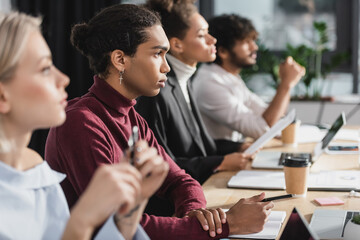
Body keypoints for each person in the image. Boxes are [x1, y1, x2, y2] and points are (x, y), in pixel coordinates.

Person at [45, 3, 274, 240]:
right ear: (120, 59)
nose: (166, 67)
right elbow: (115, 225)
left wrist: (195, 212)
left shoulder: (132, 117)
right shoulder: (81, 123)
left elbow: (180, 180)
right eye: (157, 54)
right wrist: (226, 226)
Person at [0, 11, 152, 240]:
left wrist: (131, 206)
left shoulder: (35, 169)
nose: (63, 79)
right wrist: (83, 219)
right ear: (2, 97)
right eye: (44, 69)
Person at [135, 0, 254, 185]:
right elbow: (163, 163)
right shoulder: (158, 92)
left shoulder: (185, 82)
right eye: (201, 35)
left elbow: (201, 146)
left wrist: (238, 146)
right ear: (176, 45)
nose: (212, 40)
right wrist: (220, 162)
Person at [193, 14, 306, 141]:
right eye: (246, 42)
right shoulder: (210, 83)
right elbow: (262, 130)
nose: (255, 47)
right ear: (223, 52)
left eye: (253, 41)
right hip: (222, 157)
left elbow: (272, 117)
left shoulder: (229, 77)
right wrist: (286, 84)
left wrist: (286, 84)